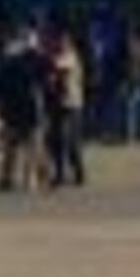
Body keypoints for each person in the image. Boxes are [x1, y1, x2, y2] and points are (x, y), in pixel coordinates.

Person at [0, 28, 48, 192]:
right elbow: (44, 80)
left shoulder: (10, 62)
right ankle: (30, 179)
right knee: (33, 145)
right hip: (28, 108)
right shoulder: (35, 60)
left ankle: (11, 179)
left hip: (17, 109)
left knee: (16, 146)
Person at [47, 29, 87, 187]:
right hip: (58, 104)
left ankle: (78, 173)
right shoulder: (57, 56)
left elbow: (59, 68)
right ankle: (60, 174)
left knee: (71, 141)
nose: (60, 44)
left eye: (63, 41)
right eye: (58, 41)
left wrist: (48, 61)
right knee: (57, 141)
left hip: (72, 104)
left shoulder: (71, 56)